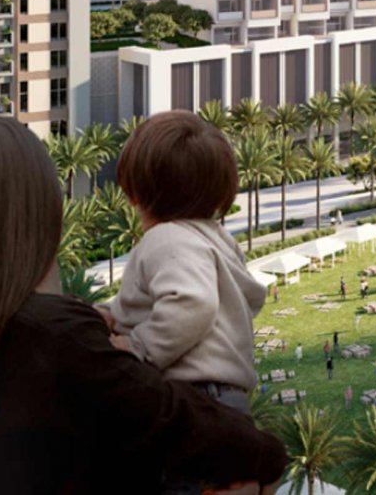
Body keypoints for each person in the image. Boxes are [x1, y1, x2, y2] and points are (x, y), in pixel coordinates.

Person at [0, 117, 288, 493]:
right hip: (221, 405)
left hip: (204, 395)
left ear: (135, 192)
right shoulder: (55, 335)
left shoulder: (163, 241)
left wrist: (133, 340)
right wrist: (267, 455)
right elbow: (163, 413)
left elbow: (187, 303)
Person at [107, 111, 269, 423]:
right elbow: (154, 301)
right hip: (225, 399)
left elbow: (194, 302)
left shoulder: (166, 239)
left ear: (135, 191)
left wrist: (138, 346)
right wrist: (112, 314)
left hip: (193, 400)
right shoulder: (214, 239)